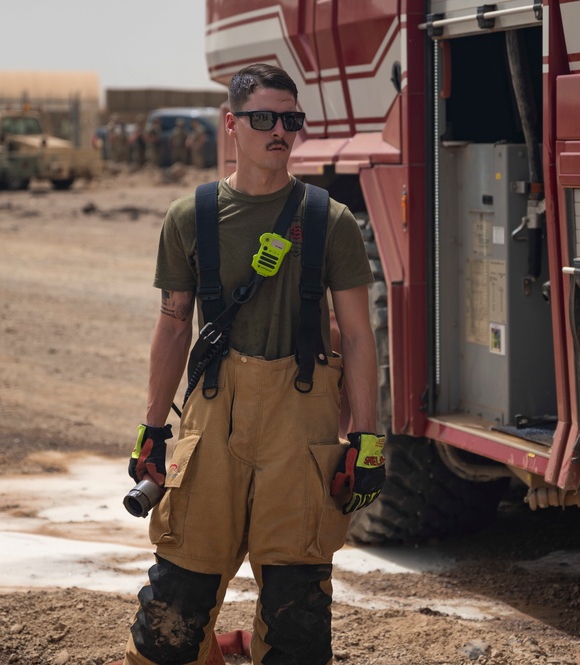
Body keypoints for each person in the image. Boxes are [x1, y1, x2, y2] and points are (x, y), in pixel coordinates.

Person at [119, 63, 384, 665]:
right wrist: (153, 429)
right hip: (212, 420)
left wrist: (366, 438)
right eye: (264, 119)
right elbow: (172, 323)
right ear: (232, 124)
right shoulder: (190, 217)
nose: (280, 132)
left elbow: (359, 336)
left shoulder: (330, 221)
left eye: (291, 120)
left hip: (303, 426)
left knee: (298, 619)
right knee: (174, 614)